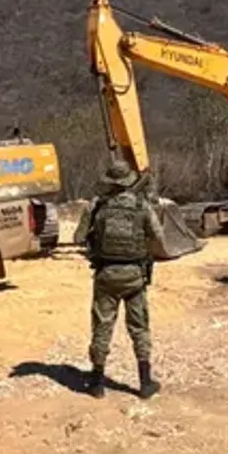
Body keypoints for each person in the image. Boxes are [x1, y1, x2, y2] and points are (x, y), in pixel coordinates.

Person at [75, 159, 166, 400]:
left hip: (106, 275)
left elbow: (78, 238)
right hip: (135, 275)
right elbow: (159, 236)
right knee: (139, 327)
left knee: (102, 326)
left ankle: (97, 383)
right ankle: (145, 382)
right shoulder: (141, 206)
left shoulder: (97, 206)